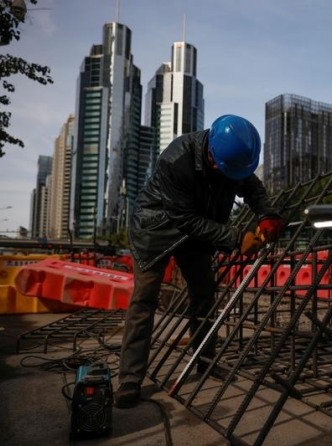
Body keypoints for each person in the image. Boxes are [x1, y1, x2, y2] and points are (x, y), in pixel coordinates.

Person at [115, 114, 285, 409]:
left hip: (197, 230)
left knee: (204, 295)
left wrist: (266, 214)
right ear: (210, 153)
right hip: (157, 229)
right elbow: (183, 218)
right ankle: (130, 379)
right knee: (144, 300)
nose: (232, 177)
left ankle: (204, 360)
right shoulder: (176, 159)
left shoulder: (234, 157)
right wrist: (234, 237)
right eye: (226, 170)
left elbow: (253, 189)